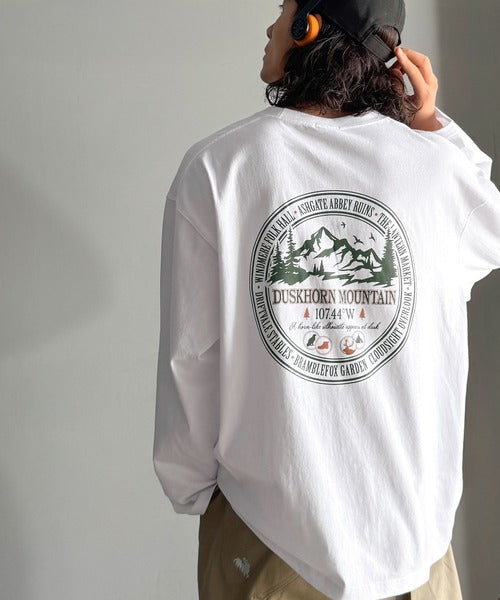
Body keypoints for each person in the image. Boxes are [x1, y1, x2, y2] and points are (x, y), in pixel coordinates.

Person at [153, 0, 500, 598]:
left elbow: (192, 356)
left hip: (269, 538)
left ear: (308, 27)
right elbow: (488, 230)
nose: (270, 27)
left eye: (282, 9)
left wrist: (193, 489)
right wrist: (432, 125)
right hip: (415, 547)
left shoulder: (219, 167)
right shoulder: (438, 173)